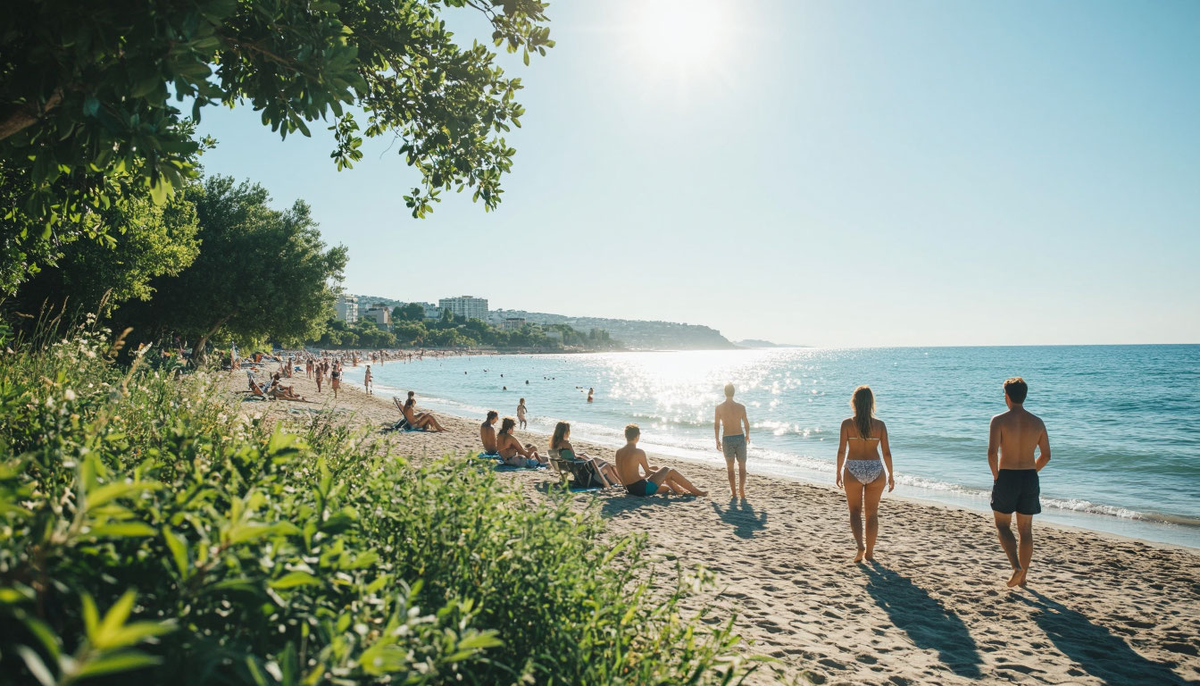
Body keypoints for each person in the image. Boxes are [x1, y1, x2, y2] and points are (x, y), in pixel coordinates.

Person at [988, 377, 1051, 588]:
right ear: (1024, 396)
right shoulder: (1037, 422)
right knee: (1025, 530)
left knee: (1002, 525)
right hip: (1029, 476)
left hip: (1007, 476)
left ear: (1007, 396)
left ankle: (1016, 567)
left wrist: (997, 476)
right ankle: (1023, 578)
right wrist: (1032, 470)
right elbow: (1046, 455)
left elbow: (991, 453)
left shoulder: (999, 420)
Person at [835, 386, 895, 563]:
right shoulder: (880, 425)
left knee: (854, 511)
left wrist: (838, 471)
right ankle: (870, 553)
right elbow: (887, 453)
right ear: (871, 403)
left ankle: (860, 546)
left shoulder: (847, 424)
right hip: (876, 468)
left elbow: (841, 451)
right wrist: (891, 474)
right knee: (872, 513)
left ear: (854, 403)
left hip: (853, 468)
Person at [614, 424, 706, 497]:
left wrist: (657, 473)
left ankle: (679, 491)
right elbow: (647, 472)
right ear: (637, 436)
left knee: (664, 484)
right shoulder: (638, 452)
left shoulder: (619, 452)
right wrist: (661, 474)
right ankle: (697, 492)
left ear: (626, 436)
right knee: (668, 470)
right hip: (641, 489)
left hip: (630, 489)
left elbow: (621, 473)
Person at [548, 421, 619, 487]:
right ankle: (617, 483)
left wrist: (580, 455)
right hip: (582, 471)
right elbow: (575, 457)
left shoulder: (553, 443)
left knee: (598, 459)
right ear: (565, 431)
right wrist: (582, 457)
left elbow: (570, 456)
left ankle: (618, 481)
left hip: (571, 467)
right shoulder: (566, 444)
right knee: (606, 465)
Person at [714, 383, 751, 498]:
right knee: (742, 466)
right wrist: (747, 435)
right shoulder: (741, 407)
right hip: (739, 437)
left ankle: (734, 492)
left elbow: (716, 426)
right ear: (734, 392)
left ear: (725, 393)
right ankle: (741, 490)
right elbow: (746, 424)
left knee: (730, 467)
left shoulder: (719, 408)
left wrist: (717, 440)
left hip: (727, 438)